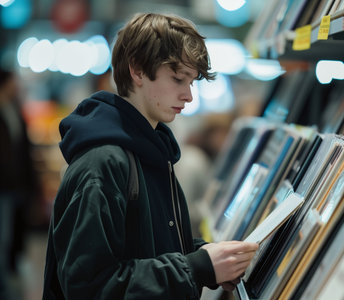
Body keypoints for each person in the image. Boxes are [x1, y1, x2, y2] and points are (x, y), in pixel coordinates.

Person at [42, 12, 259, 300]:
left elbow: (149, 246)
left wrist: (206, 256)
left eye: (191, 82)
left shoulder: (153, 151)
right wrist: (196, 268)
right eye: (178, 79)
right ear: (138, 70)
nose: (189, 96)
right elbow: (90, 287)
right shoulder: (102, 164)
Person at [0, 68, 39, 299]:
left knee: (12, 235)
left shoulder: (14, 108)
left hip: (16, 188)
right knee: (2, 237)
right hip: (3, 188)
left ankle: (8, 278)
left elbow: (23, 150)